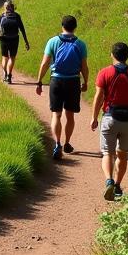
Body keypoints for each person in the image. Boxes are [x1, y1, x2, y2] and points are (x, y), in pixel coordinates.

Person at [90, 42, 128, 201]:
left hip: (110, 118)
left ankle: (108, 180)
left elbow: (98, 97)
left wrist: (94, 117)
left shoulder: (104, 73)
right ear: (127, 56)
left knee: (107, 153)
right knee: (122, 155)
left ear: (112, 55)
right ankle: (117, 185)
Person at [35, 15, 88, 160]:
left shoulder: (53, 41)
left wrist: (39, 81)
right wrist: (85, 82)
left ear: (62, 26)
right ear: (75, 27)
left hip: (56, 80)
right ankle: (67, 143)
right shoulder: (81, 44)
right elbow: (84, 66)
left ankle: (57, 143)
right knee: (70, 115)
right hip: (73, 81)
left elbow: (45, 63)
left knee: (56, 115)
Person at [0, 0, 29, 83]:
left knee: (5, 57)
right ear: (13, 7)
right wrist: (26, 42)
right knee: (12, 57)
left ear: (5, 7)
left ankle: (5, 73)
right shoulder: (17, 16)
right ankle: (9, 76)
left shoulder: (2, 16)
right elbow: (22, 29)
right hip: (14, 38)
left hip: (3, 38)